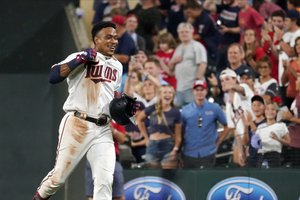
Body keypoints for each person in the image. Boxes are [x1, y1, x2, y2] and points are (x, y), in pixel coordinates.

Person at [32, 21, 131, 200]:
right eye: (108, 37)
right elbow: (53, 76)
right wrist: (78, 60)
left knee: (104, 180)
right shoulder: (80, 56)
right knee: (57, 178)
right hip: (78, 123)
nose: (114, 41)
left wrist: (125, 108)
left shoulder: (117, 66)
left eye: (116, 37)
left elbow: (111, 100)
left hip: (103, 129)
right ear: (96, 39)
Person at [181, 80, 229, 168]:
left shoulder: (215, 108)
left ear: (206, 91)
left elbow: (227, 125)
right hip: (189, 152)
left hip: (208, 151)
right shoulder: (185, 110)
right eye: (197, 90)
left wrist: (218, 143)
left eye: (202, 90)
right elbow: (181, 130)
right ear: (193, 91)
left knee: (206, 179)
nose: (199, 92)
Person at [136, 85, 182, 169]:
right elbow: (139, 120)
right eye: (165, 92)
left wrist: (175, 149)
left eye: (170, 92)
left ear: (173, 95)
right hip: (152, 145)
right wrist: (146, 138)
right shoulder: (152, 108)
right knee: (152, 175)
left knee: (168, 176)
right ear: (160, 95)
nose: (168, 94)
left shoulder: (176, 112)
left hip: (168, 145)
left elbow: (178, 136)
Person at [85, 121, 127, 200]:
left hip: (113, 159)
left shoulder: (115, 117)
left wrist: (112, 129)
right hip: (94, 157)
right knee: (92, 195)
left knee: (118, 194)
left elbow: (122, 139)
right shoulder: (90, 116)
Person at [169, 22, 207, 107]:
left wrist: (197, 85)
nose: (184, 34)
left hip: (191, 87)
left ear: (192, 32)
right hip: (179, 87)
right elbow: (170, 69)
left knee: (194, 111)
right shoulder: (178, 48)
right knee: (180, 113)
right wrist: (173, 61)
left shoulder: (197, 46)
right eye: (181, 32)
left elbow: (202, 64)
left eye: (186, 31)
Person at [252, 102, 290, 167]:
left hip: (274, 156)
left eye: (273, 109)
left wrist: (277, 139)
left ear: (276, 112)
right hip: (260, 156)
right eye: (267, 109)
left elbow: (288, 142)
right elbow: (255, 143)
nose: (270, 111)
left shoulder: (281, 125)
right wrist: (256, 143)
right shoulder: (260, 127)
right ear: (264, 112)